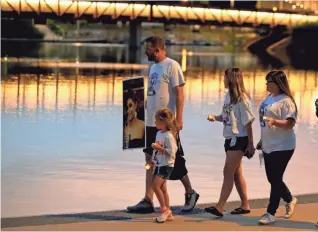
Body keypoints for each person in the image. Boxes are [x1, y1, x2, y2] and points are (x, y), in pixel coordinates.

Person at [127, 36, 199, 213]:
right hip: (151, 121)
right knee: (150, 159)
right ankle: (148, 200)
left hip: (167, 122)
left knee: (174, 159)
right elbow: (153, 94)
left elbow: (180, 94)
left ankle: (190, 192)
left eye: (149, 49)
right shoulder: (153, 67)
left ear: (157, 49)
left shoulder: (172, 65)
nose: (146, 51)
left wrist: (179, 119)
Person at [205, 68, 255, 217]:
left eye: (224, 78)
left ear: (232, 80)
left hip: (239, 139)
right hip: (229, 138)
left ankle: (219, 207)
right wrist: (215, 117)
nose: (223, 80)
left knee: (227, 171)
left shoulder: (242, 99)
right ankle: (245, 205)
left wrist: (250, 144)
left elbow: (248, 123)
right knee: (236, 174)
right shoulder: (228, 96)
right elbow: (226, 116)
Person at [257, 70, 298, 225]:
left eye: (269, 82)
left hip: (283, 145)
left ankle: (270, 213)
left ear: (277, 84)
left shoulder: (286, 101)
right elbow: (264, 122)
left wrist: (274, 121)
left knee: (275, 179)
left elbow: (290, 123)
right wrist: (262, 139)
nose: (266, 84)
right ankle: (289, 199)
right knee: (272, 178)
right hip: (268, 144)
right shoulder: (269, 98)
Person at [151, 108, 178, 223]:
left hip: (167, 165)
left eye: (156, 121)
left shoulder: (169, 136)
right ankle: (169, 212)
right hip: (159, 163)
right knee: (163, 188)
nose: (154, 123)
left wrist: (159, 148)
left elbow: (172, 152)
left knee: (155, 186)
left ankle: (164, 210)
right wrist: (152, 160)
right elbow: (157, 149)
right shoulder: (159, 134)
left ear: (162, 123)